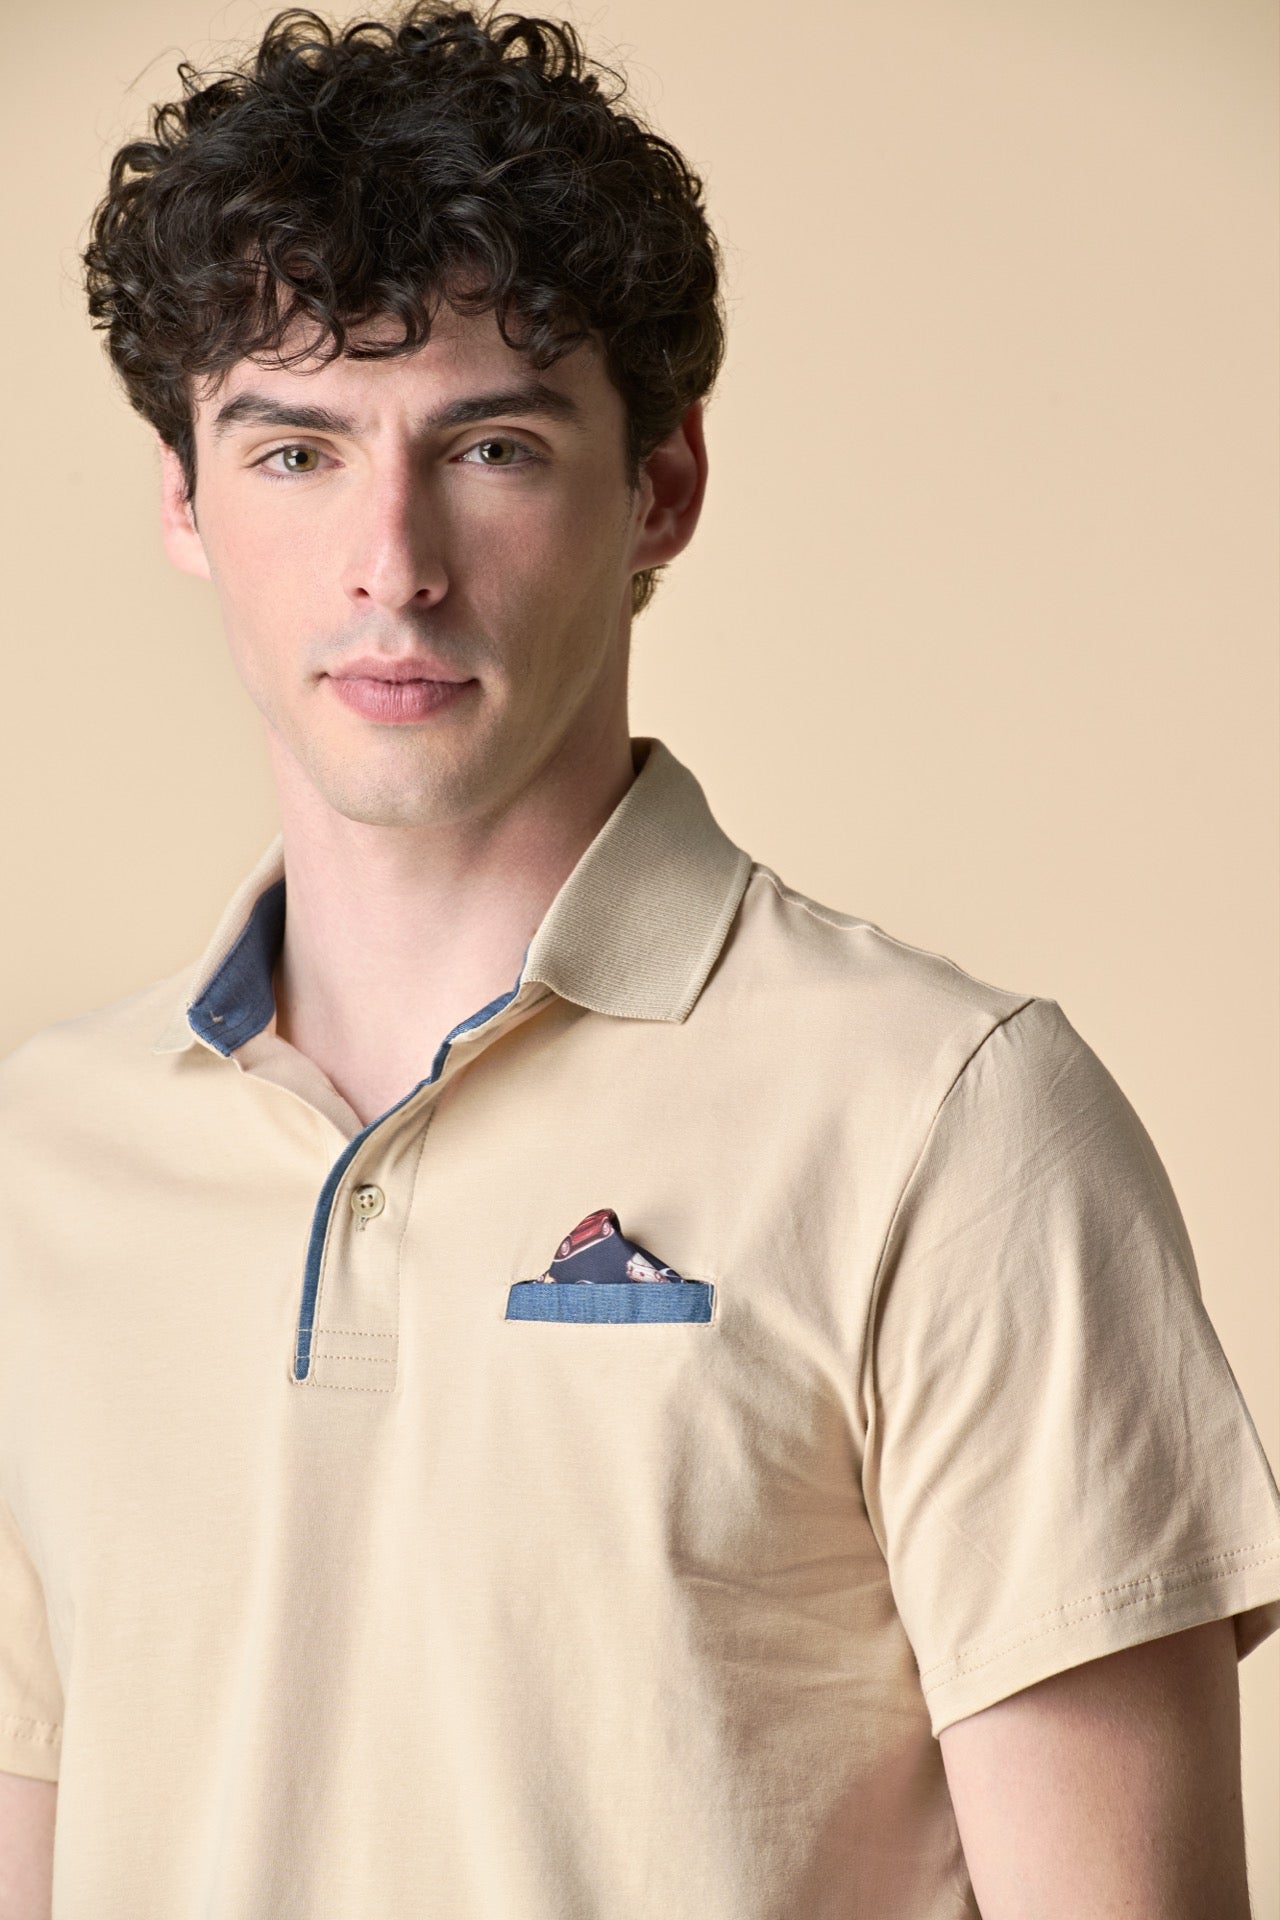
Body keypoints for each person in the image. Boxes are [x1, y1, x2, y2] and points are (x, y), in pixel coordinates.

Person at [1, 5, 1277, 1915]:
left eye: (492, 446)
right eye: (295, 452)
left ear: (661, 487)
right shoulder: (40, 1166)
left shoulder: (947, 1121)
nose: (392, 563)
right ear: (184, 496)